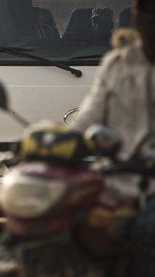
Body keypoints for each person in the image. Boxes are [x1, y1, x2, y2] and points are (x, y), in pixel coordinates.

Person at [71, 0, 154, 275]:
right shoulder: (116, 63)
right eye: (143, 10)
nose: (147, 17)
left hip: (151, 190)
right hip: (114, 182)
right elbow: (89, 114)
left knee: (147, 230)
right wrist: (53, 142)